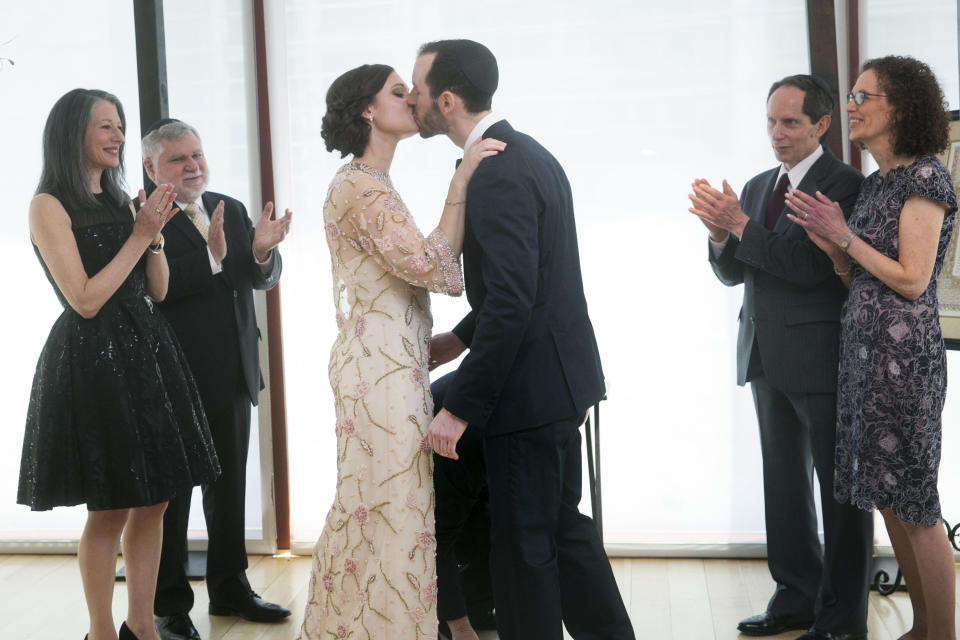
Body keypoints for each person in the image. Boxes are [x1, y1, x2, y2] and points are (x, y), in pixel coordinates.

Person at [412, 40, 635, 640]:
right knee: (563, 528)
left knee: (524, 546)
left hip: (528, 391)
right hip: (560, 380)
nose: (414, 100)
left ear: (449, 99)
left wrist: (458, 407)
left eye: (419, 89)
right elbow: (529, 287)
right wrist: (459, 339)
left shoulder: (494, 172)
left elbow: (511, 300)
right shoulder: (528, 153)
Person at [296, 64, 504, 640]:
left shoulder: (374, 182)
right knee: (390, 511)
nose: (412, 98)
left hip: (394, 364)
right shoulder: (358, 185)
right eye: (397, 91)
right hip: (378, 373)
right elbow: (431, 266)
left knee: (394, 510)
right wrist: (460, 183)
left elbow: (410, 277)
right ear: (368, 111)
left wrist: (434, 342)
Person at [17, 89, 220, 640]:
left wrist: (152, 238)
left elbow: (156, 291)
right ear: (71, 133)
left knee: (155, 500)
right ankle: (102, 631)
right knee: (110, 507)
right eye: (105, 126)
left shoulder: (120, 199)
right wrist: (138, 235)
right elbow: (83, 299)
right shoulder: (47, 205)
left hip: (147, 354)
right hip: (93, 363)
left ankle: (142, 628)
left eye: (120, 125)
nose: (118, 136)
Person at [688, 75, 873, 640]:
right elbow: (732, 273)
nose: (777, 133)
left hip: (818, 358)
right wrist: (719, 235)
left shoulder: (844, 184)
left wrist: (740, 226)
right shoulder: (756, 183)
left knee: (839, 493)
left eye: (790, 122)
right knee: (783, 486)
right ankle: (795, 596)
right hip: (763, 354)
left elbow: (810, 267)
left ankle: (842, 618)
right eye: (771, 121)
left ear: (821, 125)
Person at [786, 55, 957, 640]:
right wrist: (835, 250)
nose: (851, 108)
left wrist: (844, 236)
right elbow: (858, 278)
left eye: (863, 97)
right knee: (886, 501)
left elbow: (912, 279)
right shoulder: (879, 183)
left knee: (914, 505)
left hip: (904, 367)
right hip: (862, 362)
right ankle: (920, 626)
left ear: (901, 108)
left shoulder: (925, 177)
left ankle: (943, 633)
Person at [139, 119, 292, 640]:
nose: (193, 166)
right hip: (175, 379)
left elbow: (253, 279)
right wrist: (215, 254)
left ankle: (230, 588)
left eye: (197, 155)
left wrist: (264, 253)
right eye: (179, 159)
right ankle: (169, 608)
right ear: (151, 167)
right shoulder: (142, 218)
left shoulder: (230, 205)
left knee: (227, 489)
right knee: (173, 500)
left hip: (233, 374)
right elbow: (158, 288)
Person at [429, 371, 496, 640]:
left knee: (520, 536)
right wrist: (460, 627)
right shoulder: (460, 434)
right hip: (457, 459)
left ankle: (476, 606)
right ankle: (451, 617)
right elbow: (438, 538)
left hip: (487, 474)